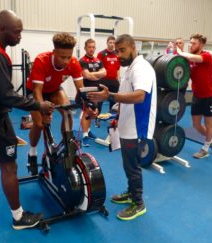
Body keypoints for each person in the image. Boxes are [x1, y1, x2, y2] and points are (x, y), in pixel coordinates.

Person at [0, 10, 55, 230]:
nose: (20, 36)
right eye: (17, 32)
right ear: (2, 29)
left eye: (21, 32)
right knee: (9, 167)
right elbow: (6, 95)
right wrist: (38, 105)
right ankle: (19, 217)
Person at [87, 34, 157, 220]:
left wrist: (109, 96)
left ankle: (138, 202)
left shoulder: (141, 68)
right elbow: (126, 96)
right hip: (127, 123)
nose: (119, 55)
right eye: (117, 51)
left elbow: (139, 96)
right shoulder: (129, 69)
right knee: (128, 163)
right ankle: (131, 192)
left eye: (123, 50)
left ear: (133, 47)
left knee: (133, 165)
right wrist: (116, 115)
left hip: (137, 127)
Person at [26, 32, 97, 173]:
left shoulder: (74, 63)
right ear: (54, 52)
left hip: (54, 90)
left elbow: (81, 89)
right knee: (40, 124)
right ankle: (32, 151)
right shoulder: (41, 60)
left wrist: (89, 105)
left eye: (69, 57)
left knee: (68, 113)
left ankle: (66, 147)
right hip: (35, 92)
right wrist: (44, 110)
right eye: (62, 57)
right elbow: (37, 91)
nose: (66, 61)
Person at [176, 34, 212, 159]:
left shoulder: (206, 56)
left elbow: (190, 56)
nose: (191, 45)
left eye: (194, 43)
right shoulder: (190, 60)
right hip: (197, 96)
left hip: (210, 95)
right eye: (190, 42)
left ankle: (205, 148)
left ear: (201, 45)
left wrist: (180, 51)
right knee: (196, 125)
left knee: (209, 123)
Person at [79, 38, 106, 146]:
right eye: (89, 47)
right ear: (85, 48)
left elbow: (104, 72)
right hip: (86, 90)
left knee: (95, 112)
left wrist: (94, 75)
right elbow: (87, 75)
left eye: (93, 47)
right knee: (87, 111)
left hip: (98, 90)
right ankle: (85, 135)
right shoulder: (82, 61)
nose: (92, 49)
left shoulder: (98, 61)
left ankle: (88, 130)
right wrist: (97, 75)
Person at [97, 36, 120, 112]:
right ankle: (98, 117)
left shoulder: (117, 54)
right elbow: (98, 68)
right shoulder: (101, 54)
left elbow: (118, 68)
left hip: (114, 81)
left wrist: (118, 79)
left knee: (113, 101)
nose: (112, 44)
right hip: (104, 81)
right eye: (110, 42)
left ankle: (112, 119)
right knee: (100, 100)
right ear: (107, 43)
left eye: (113, 43)